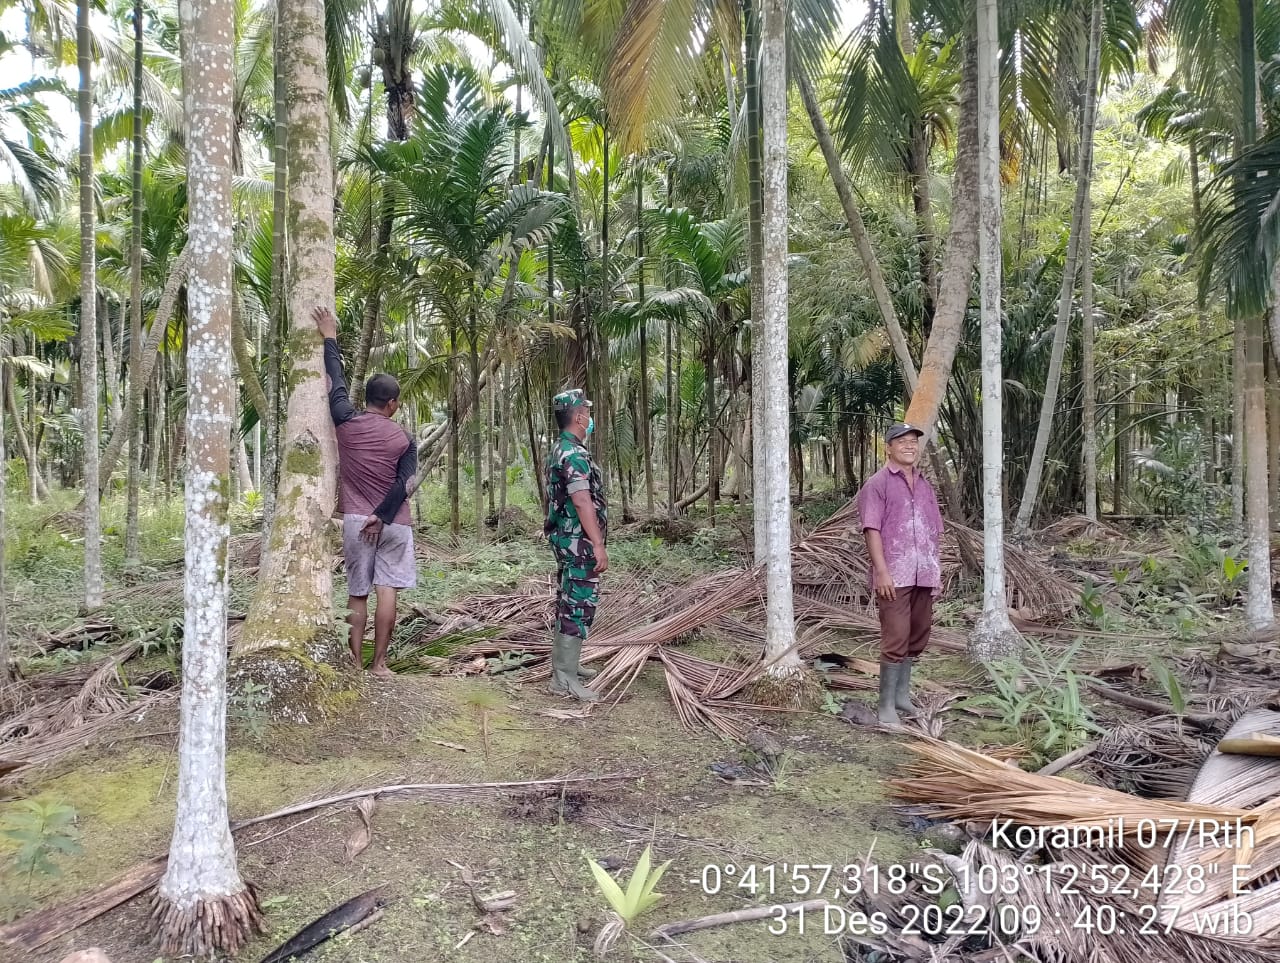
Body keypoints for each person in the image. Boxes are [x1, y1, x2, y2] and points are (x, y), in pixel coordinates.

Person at [314, 306, 417, 678]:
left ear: (369, 398)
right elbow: (404, 484)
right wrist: (384, 514)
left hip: (356, 520)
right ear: (392, 403)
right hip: (394, 523)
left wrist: (329, 336)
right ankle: (380, 665)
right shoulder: (404, 437)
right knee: (387, 590)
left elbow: (336, 381)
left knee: (357, 592)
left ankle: (354, 663)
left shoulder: (345, 420)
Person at [856, 422, 944, 725]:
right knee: (895, 637)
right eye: (902, 441)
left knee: (917, 635)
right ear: (888, 448)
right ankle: (885, 707)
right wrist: (881, 572)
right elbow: (872, 529)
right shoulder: (877, 484)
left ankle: (901, 697)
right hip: (895, 573)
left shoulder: (924, 484)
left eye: (913, 442)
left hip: (924, 573)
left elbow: (934, 530)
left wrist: (937, 572)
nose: (909, 446)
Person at [543, 388, 609, 702]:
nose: (589, 416)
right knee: (578, 603)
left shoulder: (560, 449)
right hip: (578, 541)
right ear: (580, 417)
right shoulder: (574, 454)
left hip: (566, 539)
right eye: (587, 411)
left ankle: (567, 665)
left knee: (568, 599)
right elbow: (582, 500)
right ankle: (564, 678)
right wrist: (597, 543)